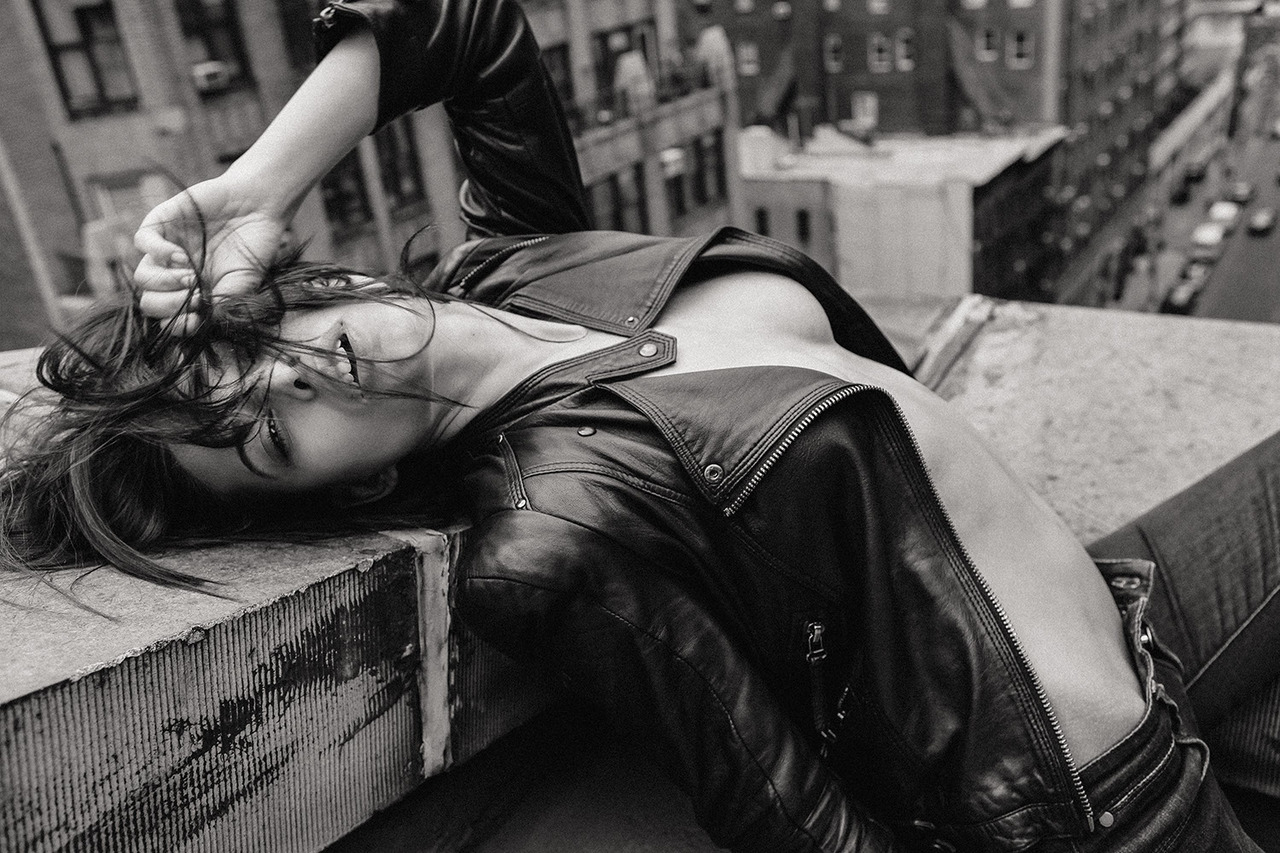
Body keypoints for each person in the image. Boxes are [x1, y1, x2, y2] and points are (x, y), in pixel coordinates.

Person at [2, 1, 1277, 850]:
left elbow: (463, 26)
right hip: (1084, 792)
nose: (291, 384)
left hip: (1123, 605)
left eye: (244, 355)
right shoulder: (550, 534)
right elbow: (785, 813)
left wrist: (254, 185)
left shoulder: (520, 263)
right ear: (341, 492)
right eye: (267, 442)